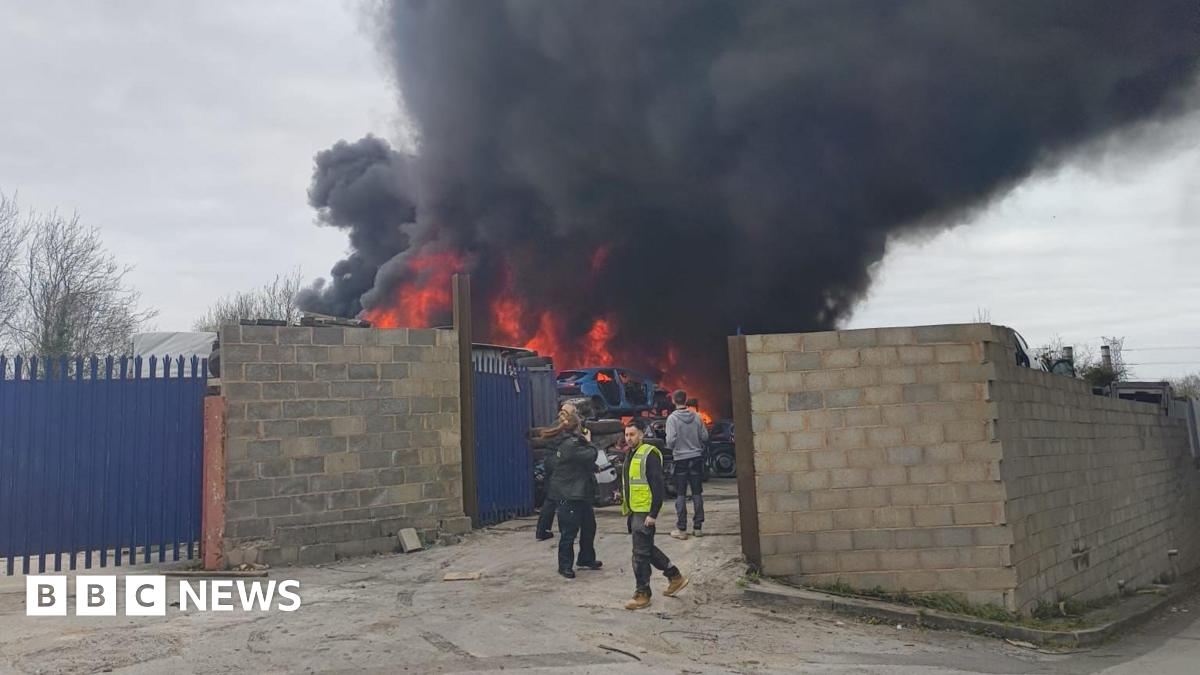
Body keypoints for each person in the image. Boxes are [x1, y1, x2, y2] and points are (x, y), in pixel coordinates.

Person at [622, 418, 688, 610]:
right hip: (635, 510)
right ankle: (675, 576)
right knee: (647, 549)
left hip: (645, 512)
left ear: (642, 434)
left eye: (632, 434)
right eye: (626, 435)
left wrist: (653, 513)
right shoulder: (631, 454)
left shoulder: (648, 454)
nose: (628, 438)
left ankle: (642, 594)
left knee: (640, 555)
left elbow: (658, 485)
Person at [548, 403, 603, 578]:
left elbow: (581, 461)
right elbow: (590, 454)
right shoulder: (571, 444)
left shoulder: (571, 442)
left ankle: (586, 558)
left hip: (580, 491)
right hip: (569, 493)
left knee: (589, 527)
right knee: (569, 531)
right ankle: (564, 565)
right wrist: (590, 442)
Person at [665, 389, 708, 539]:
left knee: (681, 494)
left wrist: (676, 448)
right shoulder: (696, 417)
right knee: (697, 493)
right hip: (696, 458)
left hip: (680, 460)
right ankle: (698, 528)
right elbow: (705, 436)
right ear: (686, 400)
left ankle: (681, 529)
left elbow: (670, 441)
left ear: (673, 400)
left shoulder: (672, 419)